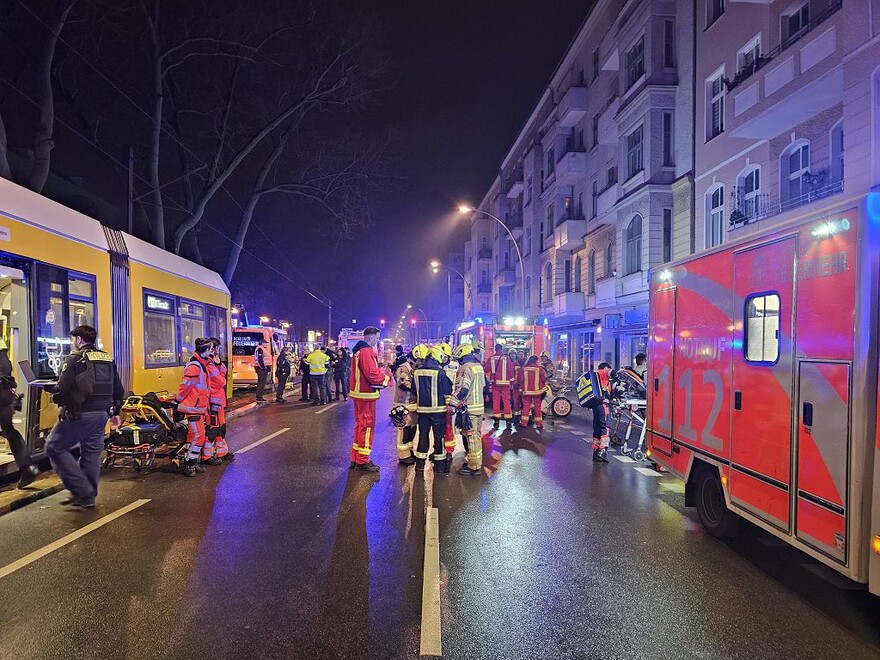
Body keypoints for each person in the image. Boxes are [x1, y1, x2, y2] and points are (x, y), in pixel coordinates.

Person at [45, 325, 124, 507]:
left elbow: (63, 389)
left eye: (74, 339)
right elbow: (118, 389)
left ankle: (82, 489)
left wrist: (51, 390)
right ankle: (87, 497)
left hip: (80, 414)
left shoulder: (73, 360)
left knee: (54, 447)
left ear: (79, 340)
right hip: (101, 415)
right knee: (91, 453)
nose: (73, 343)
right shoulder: (107, 359)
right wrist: (115, 412)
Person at [349, 326, 390, 472]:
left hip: (358, 393)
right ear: (372, 337)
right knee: (367, 426)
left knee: (360, 425)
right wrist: (387, 380)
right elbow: (372, 374)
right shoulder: (367, 351)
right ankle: (363, 461)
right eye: (377, 338)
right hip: (366, 394)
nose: (377, 341)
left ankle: (355, 458)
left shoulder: (358, 350)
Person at [0, 339, 39, 488]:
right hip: (5, 395)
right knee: (9, 430)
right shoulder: (2, 348)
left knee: (8, 430)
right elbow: (6, 367)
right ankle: (28, 467)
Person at [176, 337, 215, 476]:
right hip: (193, 407)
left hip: (198, 406)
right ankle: (189, 464)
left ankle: (191, 461)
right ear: (205, 350)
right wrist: (177, 400)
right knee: (199, 435)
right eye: (211, 349)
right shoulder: (195, 366)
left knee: (193, 435)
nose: (213, 351)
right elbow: (185, 387)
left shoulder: (201, 364)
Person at [412, 345, 453, 474]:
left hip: (422, 412)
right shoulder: (440, 372)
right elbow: (447, 390)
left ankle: (420, 466)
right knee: (439, 437)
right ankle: (439, 467)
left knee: (423, 436)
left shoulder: (417, 372)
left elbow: (413, 391)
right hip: (438, 412)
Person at [449, 343, 485, 475]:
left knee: (471, 437)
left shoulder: (465, 368)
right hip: (479, 408)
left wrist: (451, 404)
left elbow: (463, 389)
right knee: (476, 436)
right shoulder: (478, 367)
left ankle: (474, 467)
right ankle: (476, 462)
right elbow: (484, 387)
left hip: (469, 409)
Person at [201, 337, 233, 464]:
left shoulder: (213, 363)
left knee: (220, 428)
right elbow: (221, 381)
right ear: (212, 349)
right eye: (218, 348)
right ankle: (206, 456)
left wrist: (219, 364)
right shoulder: (208, 364)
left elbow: (224, 372)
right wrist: (219, 369)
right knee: (212, 428)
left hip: (218, 401)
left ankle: (222, 452)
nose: (219, 351)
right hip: (213, 401)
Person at [392, 349, 417, 465]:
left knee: (410, 430)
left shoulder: (409, 366)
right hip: (403, 404)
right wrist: (418, 388)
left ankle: (408, 452)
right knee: (403, 431)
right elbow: (403, 384)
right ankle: (403, 456)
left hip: (409, 404)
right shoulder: (404, 367)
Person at [485, 343, 515, 430]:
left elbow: (486, 370)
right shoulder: (506, 359)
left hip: (495, 385)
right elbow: (511, 370)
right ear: (501, 349)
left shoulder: (491, 358)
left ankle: (497, 421)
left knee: (496, 402)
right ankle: (508, 422)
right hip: (505, 385)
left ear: (495, 349)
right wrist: (512, 382)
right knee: (506, 403)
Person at [590, 362, 614, 463]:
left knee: (597, 427)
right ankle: (602, 451)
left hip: (595, 405)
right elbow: (612, 372)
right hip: (603, 404)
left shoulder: (595, 376)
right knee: (605, 427)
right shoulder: (603, 373)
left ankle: (596, 451)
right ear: (605, 368)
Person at [520, 355, 548, 429]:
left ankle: (524, 423)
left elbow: (521, 380)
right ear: (536, 361)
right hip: (536, 391)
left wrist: (521, 388)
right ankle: (539, 424)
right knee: (537, 407)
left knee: (526, 407)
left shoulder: (524, 369)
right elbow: (544, 379)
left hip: (527, 391)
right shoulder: (539, 369)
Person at [508, 348, 523, 426]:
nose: (513, 355)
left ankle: (517, 417)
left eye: (514, 354)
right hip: (511, 386)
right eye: (511, 354)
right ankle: (515, 416)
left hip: (516, 386)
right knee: (512, 401)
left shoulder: (517, 364)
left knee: (517, 401)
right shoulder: (509, 362)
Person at [254, 338, 270, 403]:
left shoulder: (261, 349)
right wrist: (263, 368)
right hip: (261, 368)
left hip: (262, 368)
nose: (266, 344)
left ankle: (260, 396)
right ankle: (259, 397)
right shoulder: (260, 349)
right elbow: (259, 360)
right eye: (265, 343)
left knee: (262, 383)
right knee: (261, 383)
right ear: (262, 343)